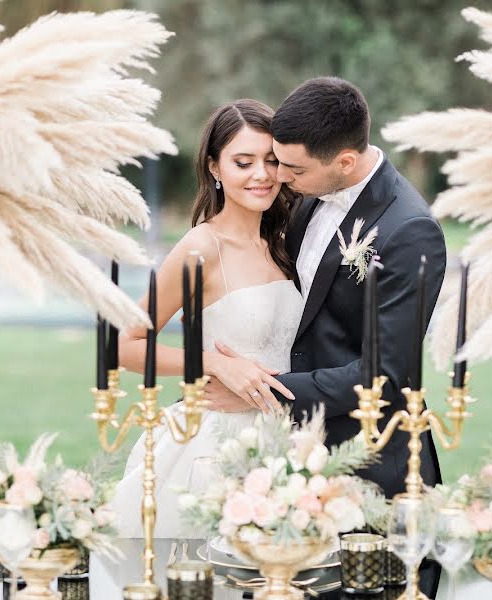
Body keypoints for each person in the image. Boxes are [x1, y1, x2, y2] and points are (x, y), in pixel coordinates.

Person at [205, 76, 447, 499]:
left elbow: (385, 377)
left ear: (345, 162)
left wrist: (264, 394)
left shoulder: (409, 230)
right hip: (286, 453)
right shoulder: (308, 190)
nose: (278, 177)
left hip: (368, 455)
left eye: (293, 169)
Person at [112, 99, 304, 537]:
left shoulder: (283, 242)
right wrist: (213, 364)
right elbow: (124, 345)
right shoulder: (202, 247)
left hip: (287, 435)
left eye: (271, 161)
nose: (261, 174)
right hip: (215, 442)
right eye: (243, 162)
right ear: (215, 168)